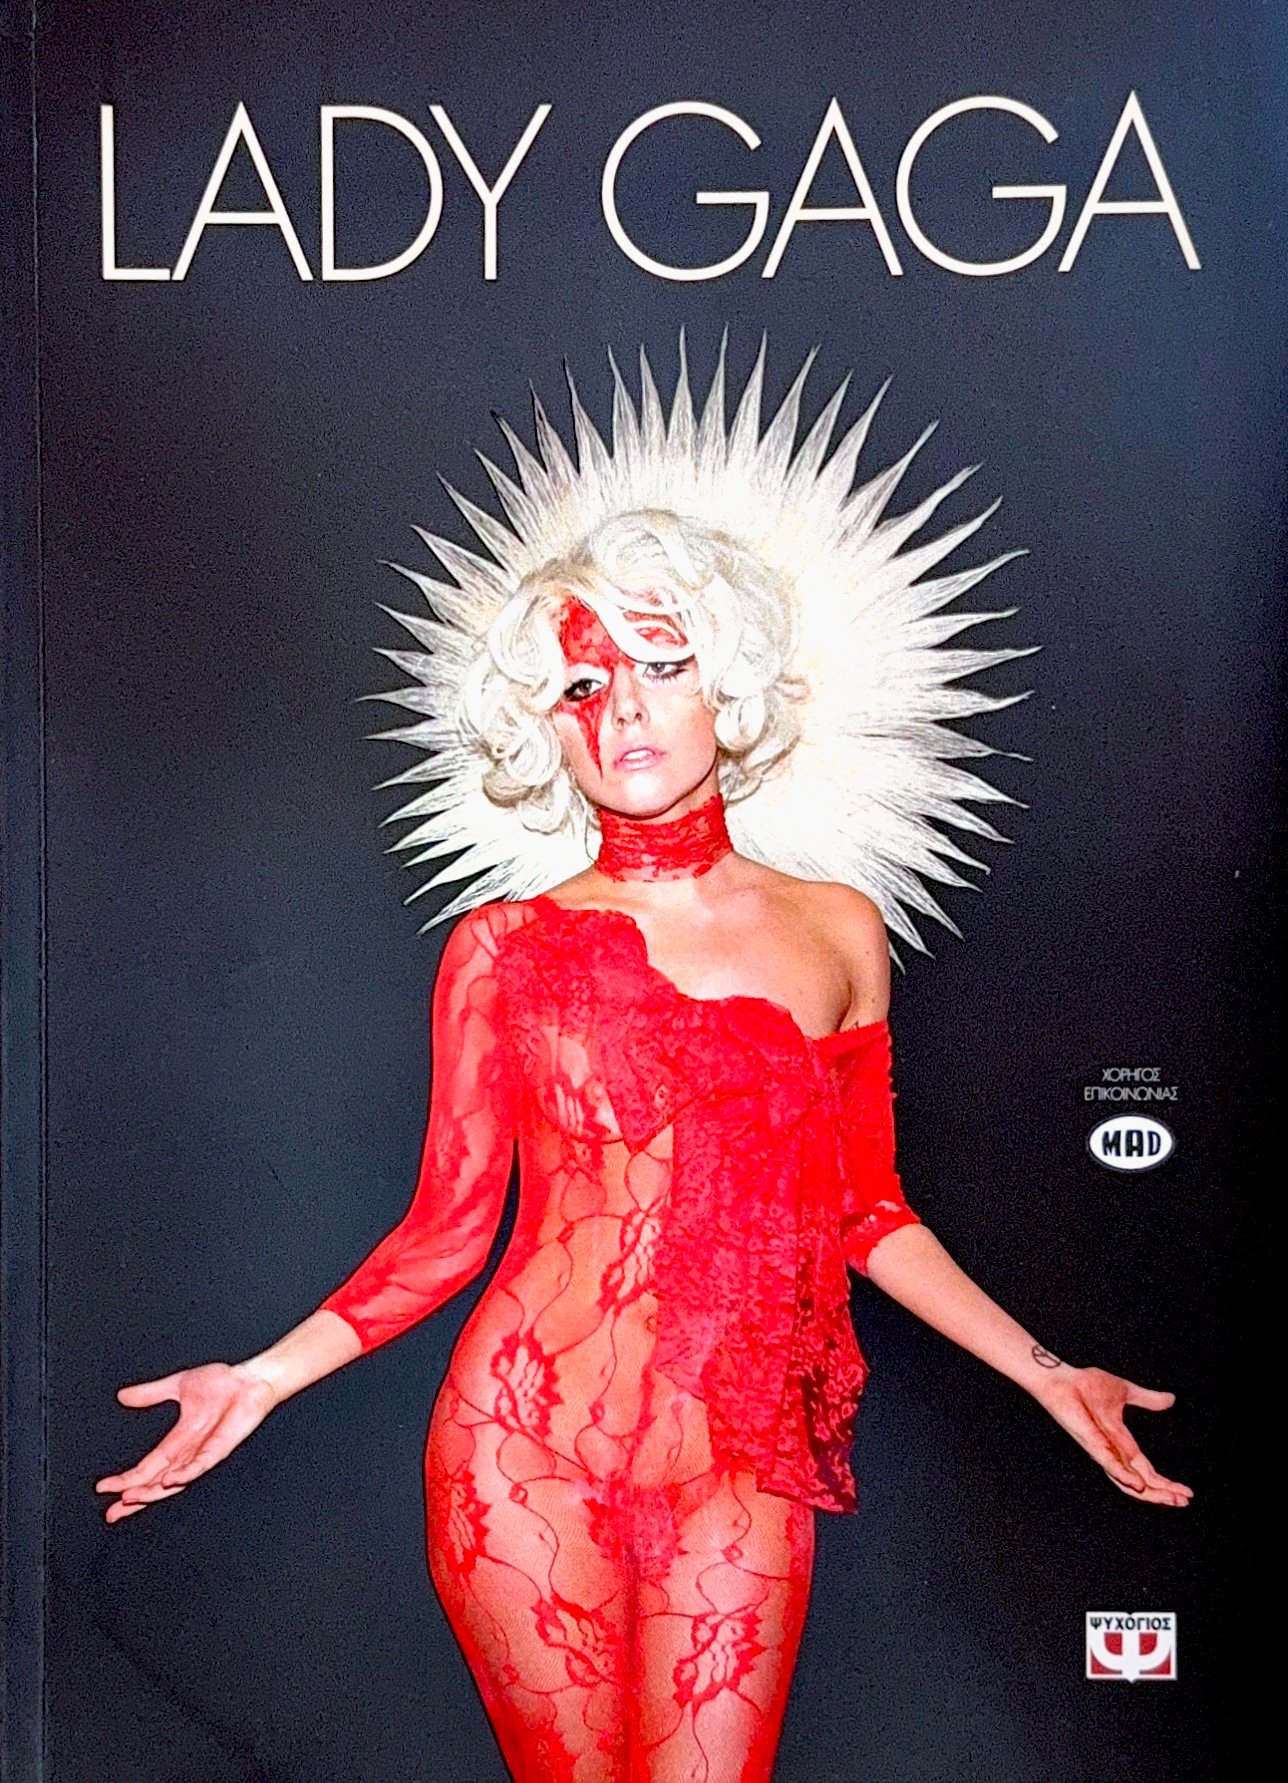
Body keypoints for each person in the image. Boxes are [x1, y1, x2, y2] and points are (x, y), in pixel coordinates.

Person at [97, 345, 1190, 1783]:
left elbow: (865, 1209)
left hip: (739, 1461)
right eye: (582, 683)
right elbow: (443, 1236)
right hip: (521, 1446)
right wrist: (255, 1380)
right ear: (546, 724)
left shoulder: (838, 927)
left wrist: (1049, 1374)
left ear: (725, 684)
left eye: (661, 667)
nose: (623, 711)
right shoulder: (502, 944)